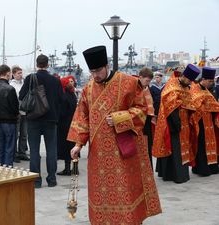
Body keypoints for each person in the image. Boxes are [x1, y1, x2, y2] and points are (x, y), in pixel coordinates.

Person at [68, 46, 161, 224]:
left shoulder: (129, 82)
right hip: (98, 155)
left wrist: (121, 117)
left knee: (124, 189)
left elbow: (142, 109)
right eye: (92, 71)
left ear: (107, 65)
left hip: (123, 151)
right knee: (100, 192)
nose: (95, 75)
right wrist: (78, 144)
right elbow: (82, 117)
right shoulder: (88, 89)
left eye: (98, 70)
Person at [19, 54, 63, 188]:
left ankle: (36, 180)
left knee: (34, 150)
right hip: (50, 119)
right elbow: (61, 99)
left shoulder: (30, 78)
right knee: (51, 150)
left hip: (33, 119)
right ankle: (52, 179)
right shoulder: (55, 80)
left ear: (37, 64)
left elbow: (21, 96)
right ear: (48, 64)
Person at [152, 64, 200, 183]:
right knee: (174, 149)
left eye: (191, 81)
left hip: (185, 123)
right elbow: (170, 107)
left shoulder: (186, 86)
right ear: (183, 76)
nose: (189, 83)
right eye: (188, 80)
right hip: (172, 124)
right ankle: (175, 175)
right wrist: (176, 123)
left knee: (181, 149)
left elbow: (189, 102)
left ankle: (180, 174)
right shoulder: (172, 86)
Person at [190, 67, 219, 176]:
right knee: (201, 144)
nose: (211, 83)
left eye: (212, 81)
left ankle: (212, 166)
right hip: (200, 122)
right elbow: (194, 105)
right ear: (203, 79)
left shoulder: (207, 91)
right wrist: (204, 105)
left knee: (211, 144)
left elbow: (213, 104)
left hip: (209, 122)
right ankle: (201, 168)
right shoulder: (194, 89)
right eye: (210, 81)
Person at [0, 65, 19, 166]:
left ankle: (0, 169)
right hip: (9, 122)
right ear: (8, 73)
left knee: (0, 148)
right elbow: (15, 107)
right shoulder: (10, 89)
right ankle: (7, 170)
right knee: (9, 148)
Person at [56, 76, 77, 175]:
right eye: (70, 81)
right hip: (73, 123)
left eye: (72, 81)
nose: (72, 83)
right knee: (73, 145)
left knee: (66, 146)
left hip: (64, 124)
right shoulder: (73, 95)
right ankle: (75, 168)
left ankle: (67, 169)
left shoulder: (64, 96)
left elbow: (62, 112)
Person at [10, 65, 30, 162]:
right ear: (13, 74)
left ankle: (22, 152)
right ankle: (14, 153)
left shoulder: (24, 83)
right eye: (18, 73)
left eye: (21, 73)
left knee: (24, 134)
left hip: (25, 111)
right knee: (16, 134)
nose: (20, 75)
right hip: (17, 112)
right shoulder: (12, 85)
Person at [138, 67, 154, 169]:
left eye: (149, 81)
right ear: (140, 77)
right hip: (138, 124)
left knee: (147, 149)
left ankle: (148, 171)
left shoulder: (148, 89)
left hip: (147, 123)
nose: (148, 83)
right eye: (147, 80)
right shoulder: (134, 89)